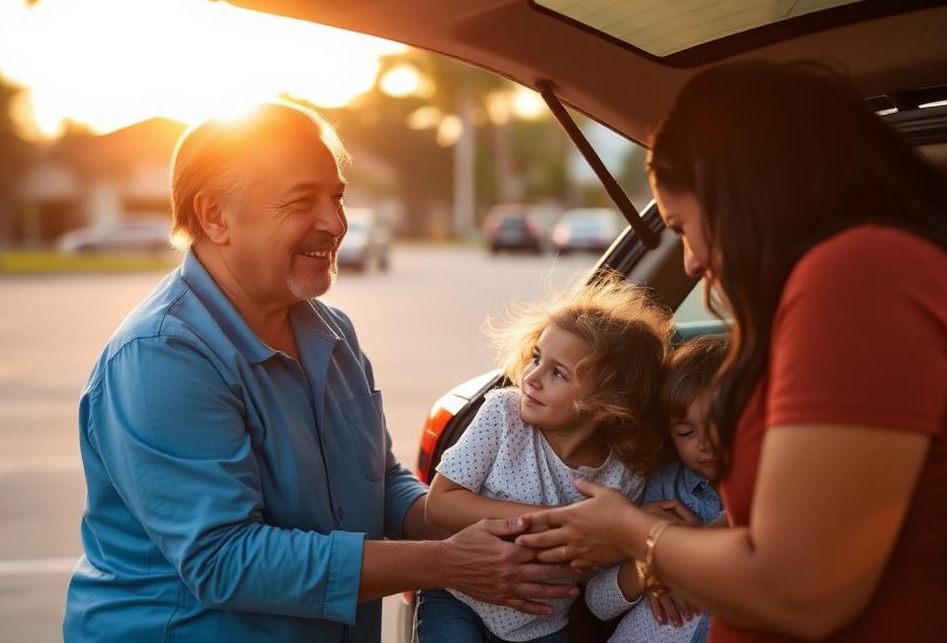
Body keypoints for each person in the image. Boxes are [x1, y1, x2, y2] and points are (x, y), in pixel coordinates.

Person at [515, 61, 947, 641]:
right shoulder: (882, 271)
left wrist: (632, 534)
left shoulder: (860, 277)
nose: (692, 262)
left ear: (741, 191)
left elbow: (801, 590)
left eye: (685, 226)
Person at [62, 101, 579, 642]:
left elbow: (379, 489)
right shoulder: (161, 357)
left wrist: (515, 528)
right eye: (301, 201)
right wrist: (445, 564)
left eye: (336, 197)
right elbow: (225, 560)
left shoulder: (333, 333)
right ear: (216, 216)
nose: (335, 224)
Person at [417, 273, 673, 643]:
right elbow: (439, 505)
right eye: (536, 358)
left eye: (557, 373)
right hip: (459, 597)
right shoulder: (503, 416)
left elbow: (598, 577)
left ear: (606, 405)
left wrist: (650, 566)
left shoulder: (622, 476)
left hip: (541, 623)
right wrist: (561, 521)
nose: (531, 377)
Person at [585, 334, 729, 643]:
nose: (705, 444)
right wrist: (650, 566)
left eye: (722, 425)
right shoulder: (667, 488)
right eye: (686, 432)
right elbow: (598, 603)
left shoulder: (781, 493)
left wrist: (685, 547)